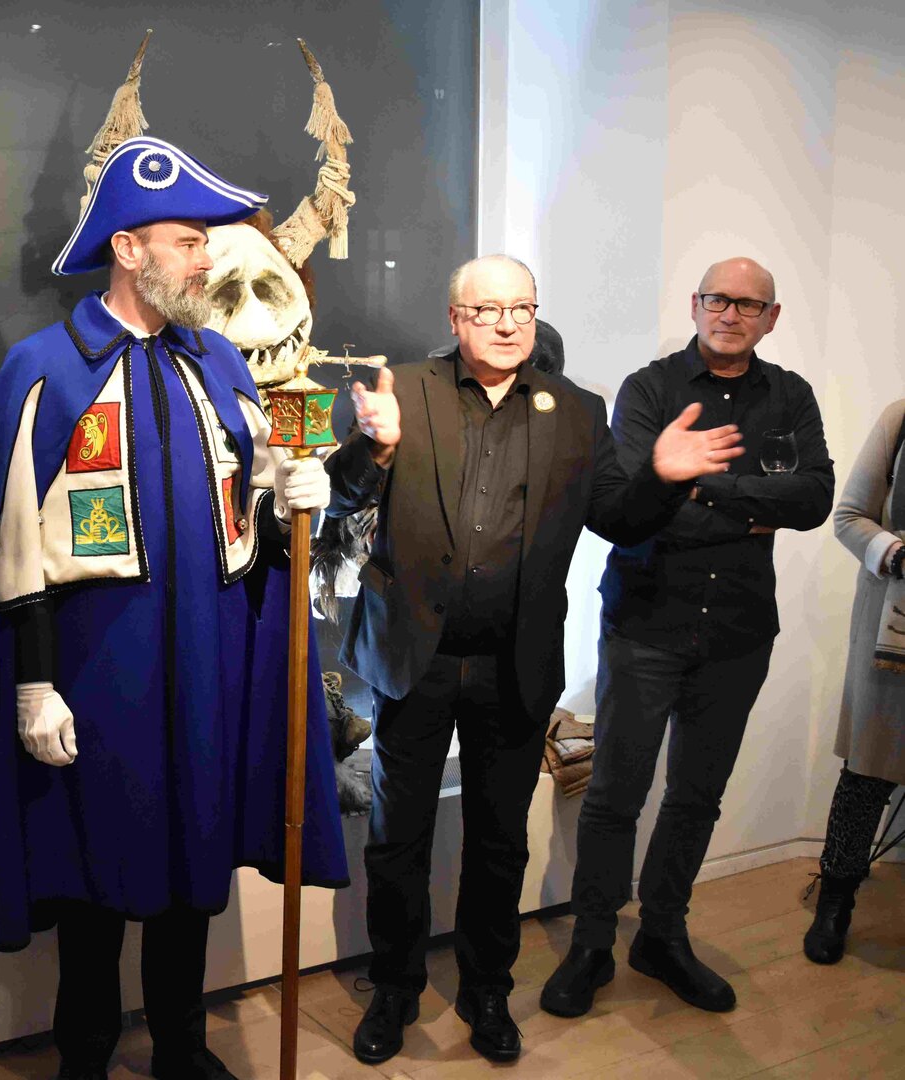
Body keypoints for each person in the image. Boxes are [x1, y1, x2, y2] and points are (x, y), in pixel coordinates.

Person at [0, 135, 350, 1080]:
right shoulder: (42, 369)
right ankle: (86, 1056)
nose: (205, 258)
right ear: (129, 248)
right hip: (96, 674)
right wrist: (34, 680)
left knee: (193, 860)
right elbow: (12, 534)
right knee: (93, 875)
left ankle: (182, 1046)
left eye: (205, 240)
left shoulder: (218, 362)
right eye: (188, 240)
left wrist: (293, 496)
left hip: (209, 664)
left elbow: (250, 505)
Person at [328, 254, 745, 1065]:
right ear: (456, 319)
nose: (508, 323)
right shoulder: (403, 391)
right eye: (488, 310)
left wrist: (661, 479)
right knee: (396, 837)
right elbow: (342, 498)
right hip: (414, 657)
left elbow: (619, 519)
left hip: (512, 664)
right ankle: (395, 987)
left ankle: (487, 991)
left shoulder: (576, 410)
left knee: (499, 841)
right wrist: (373, 449)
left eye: (522, 307)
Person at [543, 258, 833, 1018]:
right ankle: (592, 942)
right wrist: (749, 507)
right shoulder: (649, 389)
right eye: (717, 300)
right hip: (645, 621)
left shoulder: (791, 396)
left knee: (698, 795)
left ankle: (662, 934)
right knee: (616, 793)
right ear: (696, 305)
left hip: (738, 629)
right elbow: (632, 504)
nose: (730, 314)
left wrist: (704, 486)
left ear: (771, 317)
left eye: (748, 304)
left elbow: (815, 498)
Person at [803, 399, 905, 963]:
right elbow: (849, 517)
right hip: (895, 630)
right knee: (867, 772)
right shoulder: (902, 417)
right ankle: (836, 901)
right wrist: (898, 554)